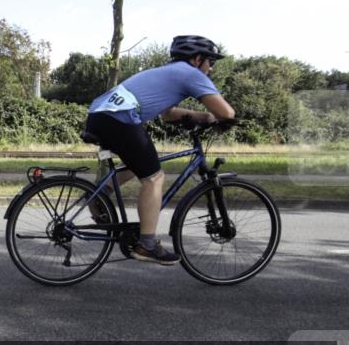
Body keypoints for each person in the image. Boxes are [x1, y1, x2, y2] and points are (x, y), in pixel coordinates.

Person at [84, 35, 235, 265]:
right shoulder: (191, 73)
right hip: (119, 118)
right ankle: (146, 244)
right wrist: (221, 119)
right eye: (210, 62)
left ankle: (99, 194)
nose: (211, 68)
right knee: (154, 178)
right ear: (197, 59)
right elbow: (227, 113)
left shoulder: (167, 72)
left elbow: (168, 115)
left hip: (100, 115)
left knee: (141, 165)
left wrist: (202, 117)